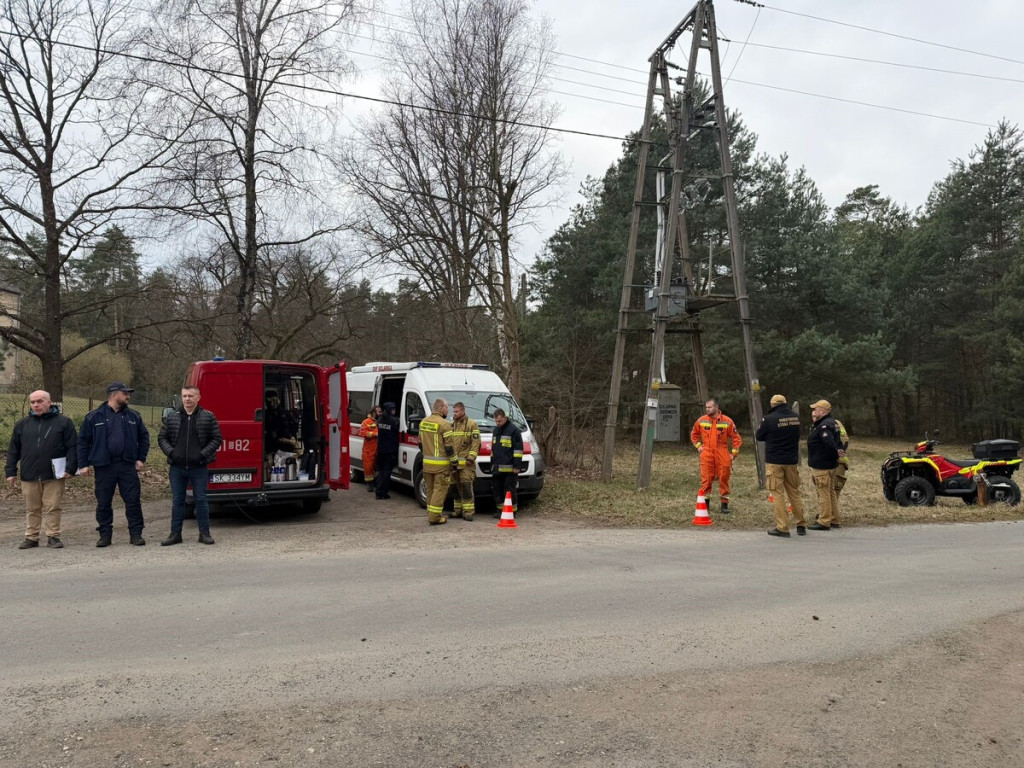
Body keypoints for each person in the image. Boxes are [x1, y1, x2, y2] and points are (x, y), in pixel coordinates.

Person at [78, 382, 151, 547]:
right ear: (114, 394)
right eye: (125, 393)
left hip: (127, 465)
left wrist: (141, 458)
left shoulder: (134, 416)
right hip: (104, 466)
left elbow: (144, 438)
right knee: (103, 502)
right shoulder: (94, 416)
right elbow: (83, 441)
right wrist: (83, 464)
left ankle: (136, 534)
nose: (128, 396)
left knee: (133, 501)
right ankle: (105, 536)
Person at [5, 390, 77, 549]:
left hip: (54, 474)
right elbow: (13, 450)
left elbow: (72, 447)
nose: (36, 405)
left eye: (40, 401)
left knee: (53, 506)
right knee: (32, 508)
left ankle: (53, 536)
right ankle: (32, 537)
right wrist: (10, 472)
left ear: (49, 402)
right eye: (33, 402)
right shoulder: (22, 424)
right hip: (29, 474)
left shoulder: (63, 422)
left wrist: (71, 468)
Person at [157, 385, 223, 546]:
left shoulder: (208, 416)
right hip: (177, 468)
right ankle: (175, 534)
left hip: (199, 467)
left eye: (190, 396)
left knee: (201, 500)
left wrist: (202, 454)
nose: (187, 399)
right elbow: (162, 438)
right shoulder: (172, 417)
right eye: (184, 396)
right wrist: (171, 453)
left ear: (198, 398)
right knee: (178, 501)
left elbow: (216, 439)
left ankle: (204, 534)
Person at [756, 394, 806, 538]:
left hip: (775, 461)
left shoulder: (769, 419)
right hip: (791, 460)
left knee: (777, 494)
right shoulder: (795, 417)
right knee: (794, 492)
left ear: (773, 405)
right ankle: (801, 524)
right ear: (785, 403)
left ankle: (782, 527)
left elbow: (759, 436)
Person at [689, 398, 742, 513]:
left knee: (724, 479)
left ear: (716, 407)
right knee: (706, 480)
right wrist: (699, 446)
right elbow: (694, 434)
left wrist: (733, 454)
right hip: (707, 453)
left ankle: (724, 506)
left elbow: (736, 438)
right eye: (706, 407)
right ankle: (705, 505)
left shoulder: (727, 421)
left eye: (710, 407)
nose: (707, 409)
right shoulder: (701, 420)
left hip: (722, 452)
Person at [806, 399, 844, 531]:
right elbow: (839, 443)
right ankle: (834, 519)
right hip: (830, 464)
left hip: (822, 465)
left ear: (822, 411)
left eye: (815, 409)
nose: (813, 411)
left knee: (824, 494)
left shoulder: (824, 425)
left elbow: (829, 444)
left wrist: (833, 456)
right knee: (831, 492)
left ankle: (824, 521)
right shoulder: (831, 422)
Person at [419, 398, 455, 525]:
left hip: (427, 463)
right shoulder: (445, 424)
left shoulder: (423, 422)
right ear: (440, 408)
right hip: (441, 466)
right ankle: (434, 517)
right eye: (446, 407)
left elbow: (420, 443)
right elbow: (449, 448)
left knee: (430, 490)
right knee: (440, 490)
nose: (448, 410)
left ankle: (431, 513)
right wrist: (454, 462)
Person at [448, 401, 481, 521]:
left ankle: (468, 512)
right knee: (454, 488)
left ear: (463, 411)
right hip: (454, 465)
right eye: (453, 411)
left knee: (466, 487)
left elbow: (476, 443)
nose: (454, 414)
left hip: (467, 465)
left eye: (456, 411)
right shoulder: (452, 425)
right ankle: (457, 510)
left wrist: (471, 458)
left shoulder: (472, 424)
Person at [490, 408, 524, 519]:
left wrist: (517, 466)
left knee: (509, 490)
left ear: (505, 418)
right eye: (496, 421)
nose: (497, 423)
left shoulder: (514, 430)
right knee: (497, 490)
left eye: (499, 421)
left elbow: (518, 450)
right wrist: (492, 464)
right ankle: (500, 510)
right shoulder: (496, 431)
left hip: (510, 469)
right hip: (497, 468)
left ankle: (512, 511)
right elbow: (493, 450)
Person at [375, 402, 399, 500]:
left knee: (380, 471)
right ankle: (384, 493)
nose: (394, 410)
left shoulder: (380, 419)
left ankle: (378, 492)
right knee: (387, 472)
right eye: (393, 409)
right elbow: (396, 431)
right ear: (390, 410)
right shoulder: (393, 420)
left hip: (381, 449)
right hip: (390, 450)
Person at [360, 406, 381, 492]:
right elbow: (363, 433)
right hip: (368, 449)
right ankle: (370, 484)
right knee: (368, 468)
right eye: (379, 412)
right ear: (374, 412)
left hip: (377, 448)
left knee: (377, 467)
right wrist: (374, 434)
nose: (381, 413)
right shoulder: (366, 422)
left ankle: (376, 483)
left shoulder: (379, 421)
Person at [834, 417, 851, 499]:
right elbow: (846, 440)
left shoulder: (835, 424)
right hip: (839, 461)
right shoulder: (838, 422)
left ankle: (832, 511)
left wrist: (839, 452)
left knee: (835, 487)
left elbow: (845, 440)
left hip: (839, 462)